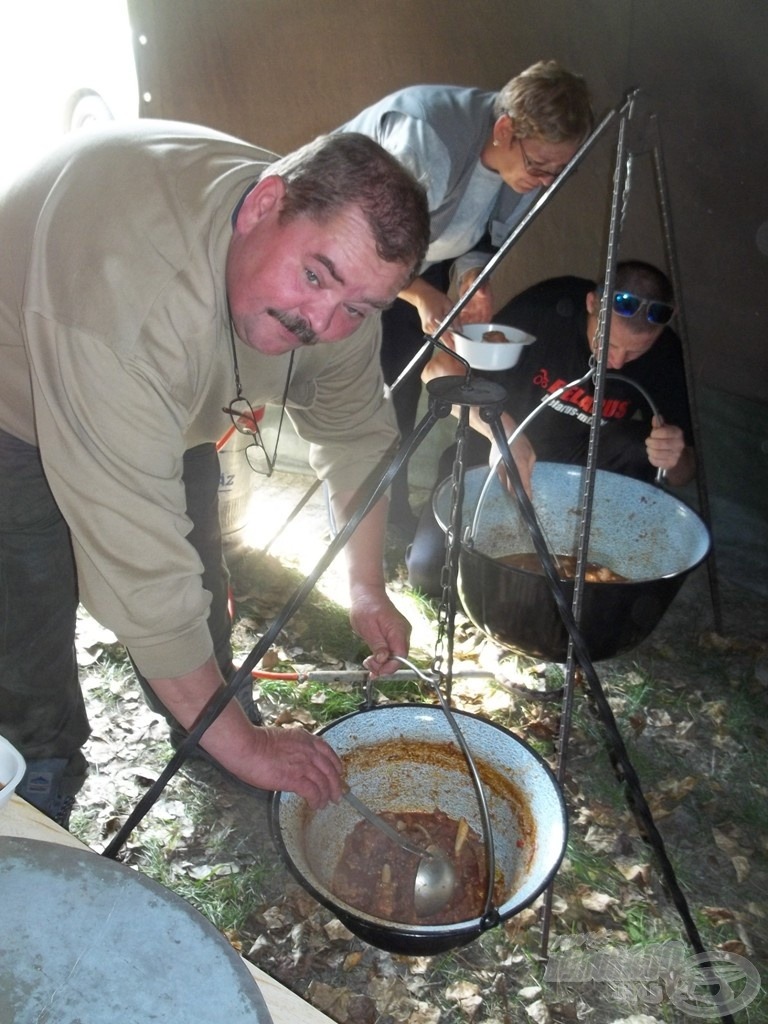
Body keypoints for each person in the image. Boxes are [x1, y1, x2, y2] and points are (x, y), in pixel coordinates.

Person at [0, 122, 430, 825]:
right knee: (23, 602)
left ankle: (208, 720)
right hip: (13, 395)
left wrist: (364, 585)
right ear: (262, 207)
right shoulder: (129, 291)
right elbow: (141, 573)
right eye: (315, 276)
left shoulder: (344, 272)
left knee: (197, 574)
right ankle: (38, 760)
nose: (322, 321)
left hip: (167, 397)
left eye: (356, 306)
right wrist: (251, 750)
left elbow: (357, 436)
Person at [337, 59, 594, 535]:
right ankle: (356, 521)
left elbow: (479, 236)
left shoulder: (523, 173)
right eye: (539, 165)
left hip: (415, 258)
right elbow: (365, 241)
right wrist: (421, 295)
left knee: (406, 382)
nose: (543, 180)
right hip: (348, 256)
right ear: (503, 129)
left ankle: (386, 518)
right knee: (370, 392)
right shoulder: (428, 141)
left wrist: (475, 275)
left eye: (558, 172)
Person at [409, 260, 696, 595]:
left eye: (634, 352)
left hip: (575, 470)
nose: (616, 362)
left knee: (636, 444)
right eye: (609, 344)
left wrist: (673, 456)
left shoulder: (665, 354)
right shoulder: (548, 308)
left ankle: (599, 562)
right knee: (427, 577)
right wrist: (502, 432)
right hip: (496, 450)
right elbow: (438, 371)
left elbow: (684, 472)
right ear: (591, 304)